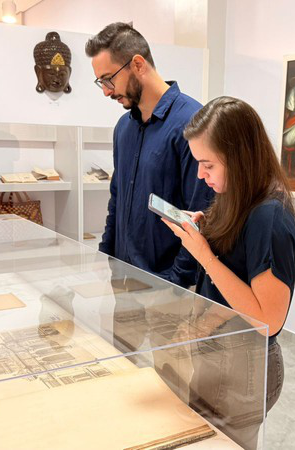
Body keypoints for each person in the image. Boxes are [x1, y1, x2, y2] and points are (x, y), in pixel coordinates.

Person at [163, 96, 295, 449]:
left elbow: (269, 320)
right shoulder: (237, 196)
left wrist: (204, 255)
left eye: (208, 164)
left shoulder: (270, 216)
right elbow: (236, 264)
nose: (200, 175)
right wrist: (207, 229)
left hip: (245, 368)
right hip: (219, 355)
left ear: (239, 157)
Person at [85, 22, 214, 288]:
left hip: (168, 287)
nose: (107, 91)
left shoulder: (193, 123)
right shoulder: (124, 128)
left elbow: (202, 213)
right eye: (101, 83)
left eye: (109, 79)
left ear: (138, 64)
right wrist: (106, 253)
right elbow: (117, 197)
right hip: (122, 278)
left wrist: (175, 282)